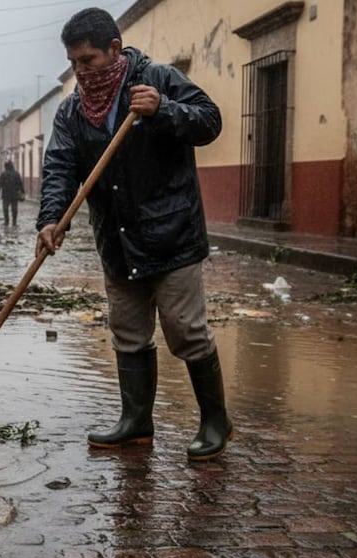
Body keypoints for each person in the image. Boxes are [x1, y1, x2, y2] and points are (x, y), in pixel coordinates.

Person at [35, 8, 230, 460]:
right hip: (117, 240)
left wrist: (163, 109)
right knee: (128, 331)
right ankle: (136, 422)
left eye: (88, 60)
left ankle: (216, 421)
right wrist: (50, 219)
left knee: (186, 331)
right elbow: (60, 168)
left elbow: (209, 120)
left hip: (172, 233)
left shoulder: (156, 79)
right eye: (74, 63)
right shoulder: (71, 112)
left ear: (114, 50)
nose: (80, 72)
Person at [0, 161, 25, 226]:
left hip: (6, 194)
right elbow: (20, 184)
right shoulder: (16, 174)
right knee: (14, 208)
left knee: (5, 208)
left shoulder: (3, 174)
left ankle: (6, 221)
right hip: (14, 194)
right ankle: (14, 222)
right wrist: (23, 192)